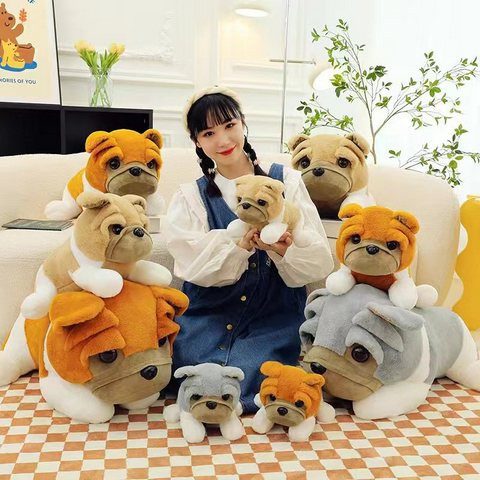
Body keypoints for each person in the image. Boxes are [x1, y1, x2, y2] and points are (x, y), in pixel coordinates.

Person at [164, 86, 334, 413]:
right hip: (209, 311)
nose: (223, 140)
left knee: (254, 373)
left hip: (272, 313)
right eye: (209, 133)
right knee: (191, 365)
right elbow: (191, 265)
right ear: (197, 141)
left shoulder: (286, 181)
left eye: (229, 125)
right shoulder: (191, 196)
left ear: (243, 122)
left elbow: (316, 259)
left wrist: (282, 250)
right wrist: (238, 248)